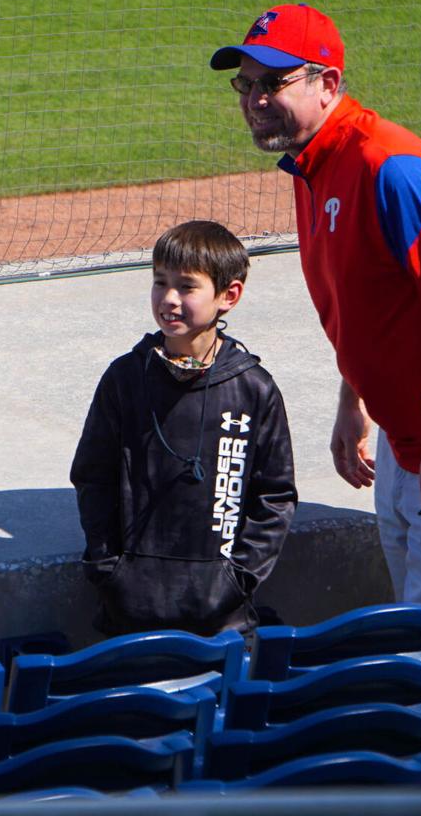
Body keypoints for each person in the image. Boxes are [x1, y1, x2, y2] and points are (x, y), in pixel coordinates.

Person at [209, 4, 421, 621]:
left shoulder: (391, 168)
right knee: (420, 617)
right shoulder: (312, 163)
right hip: (408, 432)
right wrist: (355, 402)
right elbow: (370, 302)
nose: (255, 99)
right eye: (246, 82)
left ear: (328, 85)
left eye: (274, 82)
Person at [71, 220, 297, 638]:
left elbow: (275, 497)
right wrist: (109, 569)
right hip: (129, 616)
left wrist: (236, 579)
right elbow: (92, 477)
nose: (169, 299)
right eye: (160, 283)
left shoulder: (253, 389)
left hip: (223, 621)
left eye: (187, 287)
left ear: (228, 296)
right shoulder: (124, 379)